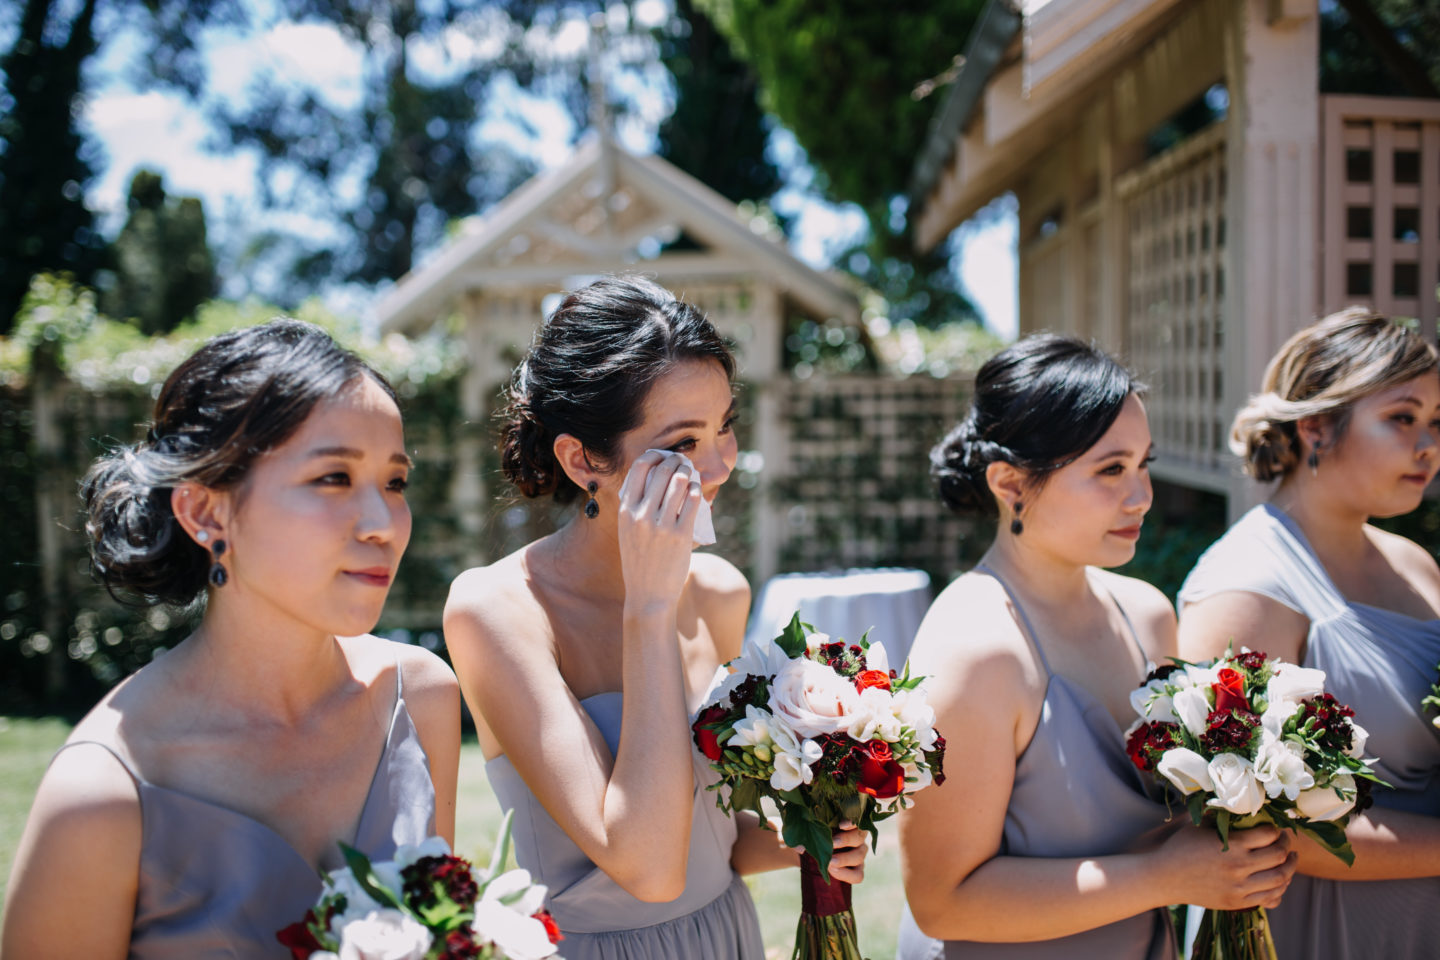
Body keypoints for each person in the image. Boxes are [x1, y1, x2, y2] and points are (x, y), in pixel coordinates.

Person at [1, 320, 461, 959]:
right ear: (206, 512)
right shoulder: (103, 795)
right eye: (333, 477)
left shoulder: (419, 699)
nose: (384, 523)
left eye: (395, 482)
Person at [443, 275, 865, 960]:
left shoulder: (721, 592)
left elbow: (709, 840)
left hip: (727, 937)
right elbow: (646, 866)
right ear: (582, 459)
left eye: (726, 426)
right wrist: (649, 608)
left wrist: (806, 837)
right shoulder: (496, 611)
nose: (722, 464)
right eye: (684, 442)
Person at [896, 334, 1295, 959]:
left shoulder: (1147, 613)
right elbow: (941, 901)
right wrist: (1167, 875)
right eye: (1110, 470)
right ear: (1010, 484)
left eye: (1144, 465)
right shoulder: (976, 652)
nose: (1141, 496)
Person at [1177, 308, 1440, 958]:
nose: (1428, 444)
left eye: (1437, 422)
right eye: (1402, 418)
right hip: (1325, 931)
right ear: (1317, 425)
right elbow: (1254, 829)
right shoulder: (1247, 585)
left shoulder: (1415, 565)